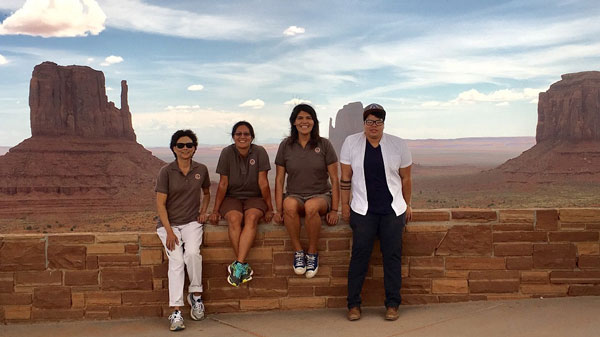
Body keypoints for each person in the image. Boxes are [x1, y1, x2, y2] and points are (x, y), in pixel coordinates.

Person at [340, 103, 412, 322]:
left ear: (383, 123)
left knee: (392, 257)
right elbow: (345, 178)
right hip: (363, 210)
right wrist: (344, 205)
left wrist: (408, 204)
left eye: (378, 121)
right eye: (369, 121)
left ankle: (392, 304)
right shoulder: (351, 143)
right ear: (364, 123)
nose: (373, 125)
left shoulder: (398, 145)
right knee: (360, 256)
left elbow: (406, 178)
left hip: (392, 210)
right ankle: (353, 305)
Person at [273, 104, 340, 278]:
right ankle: (298, 252)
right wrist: (278, 210)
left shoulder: (324, 144)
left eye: (308, 118)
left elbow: (334, 178)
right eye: (300, 118)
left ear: (314, 121)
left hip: (320, 195)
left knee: (311, 207)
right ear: (294, 122)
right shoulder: (286, 146)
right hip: (294, 194)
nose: (305, 121)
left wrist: (334, 209)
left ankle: (312, 253)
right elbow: (279, 180)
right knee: (289, 205)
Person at [155, 129, 211, 331]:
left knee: (193, 254)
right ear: (174, 148)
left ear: (194, 148)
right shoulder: (166, 172)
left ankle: (196, 296)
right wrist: (169, 232)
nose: (185, 148)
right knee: (177, 260)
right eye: (180, 145)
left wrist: (203, 211)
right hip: (169, 225)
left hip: (191, 222)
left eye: (189, 145)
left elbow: (207, 193)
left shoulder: (201, 169)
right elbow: (160, 205)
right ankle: (176, 311)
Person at [209, 121, 274, 287]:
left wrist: (270, 208)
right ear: (233, 137)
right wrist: (215, 210)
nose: (242, 137)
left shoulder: (259, 152)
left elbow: (263, 183)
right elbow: (223, 184)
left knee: (251, 217)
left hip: (254, 196)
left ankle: (237, 265)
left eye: (246, 134)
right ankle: (242, 266)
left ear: (252, 137)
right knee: (234, 218)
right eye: (239, 134)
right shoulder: (226, 153)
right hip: (232, 197)